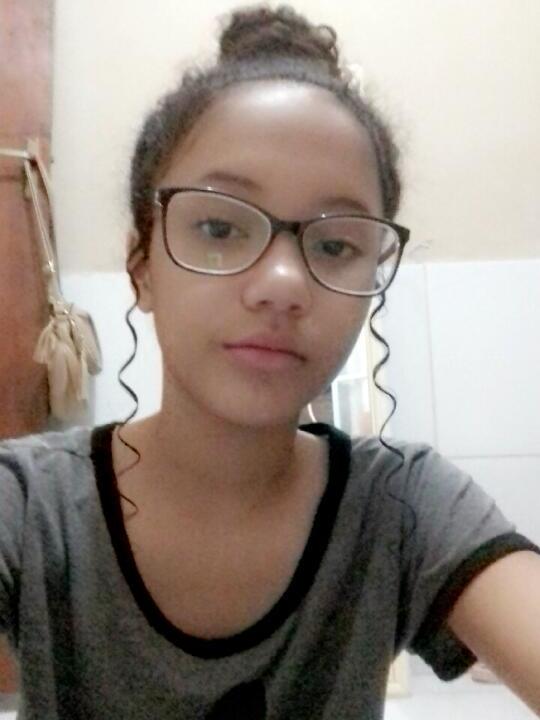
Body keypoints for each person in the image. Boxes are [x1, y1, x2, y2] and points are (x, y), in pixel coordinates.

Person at [1, 5, 540, 719]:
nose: (284, 283)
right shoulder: (29, 508)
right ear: (141, 266)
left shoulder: (404, 507)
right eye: (220, 226)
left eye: (335, 245)